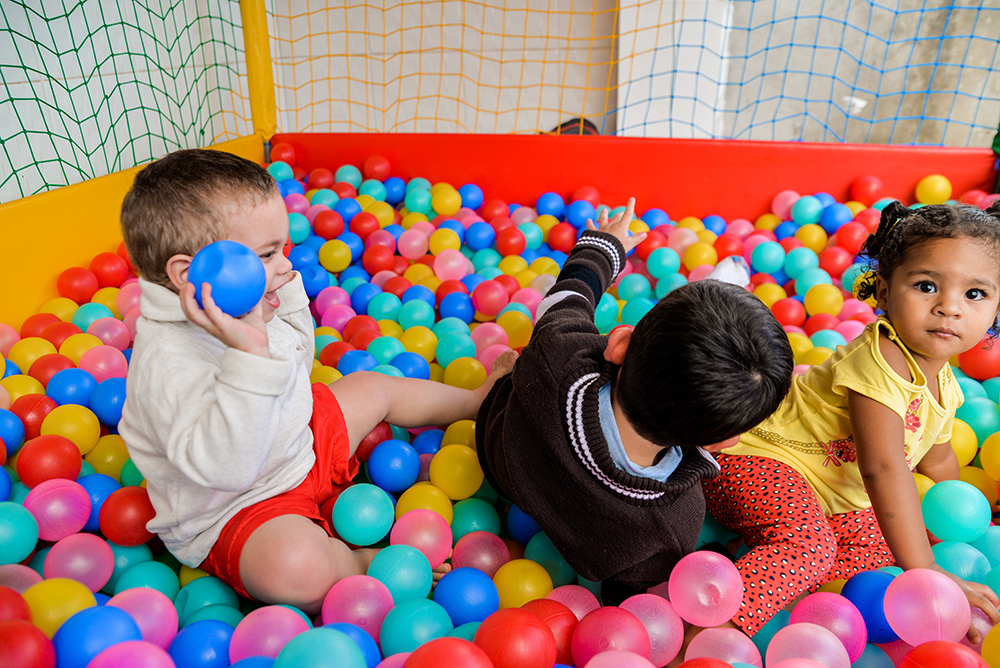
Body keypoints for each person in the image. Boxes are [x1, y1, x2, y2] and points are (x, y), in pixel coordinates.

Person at [118, 149, 493, 614]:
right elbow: (229, 469)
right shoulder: (167, 365)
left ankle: (478, 400)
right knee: (295, 568)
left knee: (372, 386)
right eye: (267, 255)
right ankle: (356, 563)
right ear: (188, 274)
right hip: (241, 506)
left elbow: (297, 357)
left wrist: (280, 300)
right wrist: (248, 352)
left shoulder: (244, 297)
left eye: (284, 248)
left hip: (298, 440)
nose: (285, 266)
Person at [704, 200, 1000, 641]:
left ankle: (748, 556)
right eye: (925, 286)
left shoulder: (948, 387)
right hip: (755, 459)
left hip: (825, 493)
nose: (949, 308)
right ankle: (709, 627)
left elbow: (937, 466)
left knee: (882, 555)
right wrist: (930, 570)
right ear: (883, 291)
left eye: (974, 294)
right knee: (811, 548)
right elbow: (882, 467)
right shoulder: (882, 361)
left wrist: (956, 527)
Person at [476, 199, 795, 604]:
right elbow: (629, 593)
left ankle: (708, 298)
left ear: (620, 343)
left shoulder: (559, 357)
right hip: (561, 523)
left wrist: (603, 244)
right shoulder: (673, 518)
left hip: (498, 448)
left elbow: (566, 297)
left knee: (521, 364)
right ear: (718, 444)